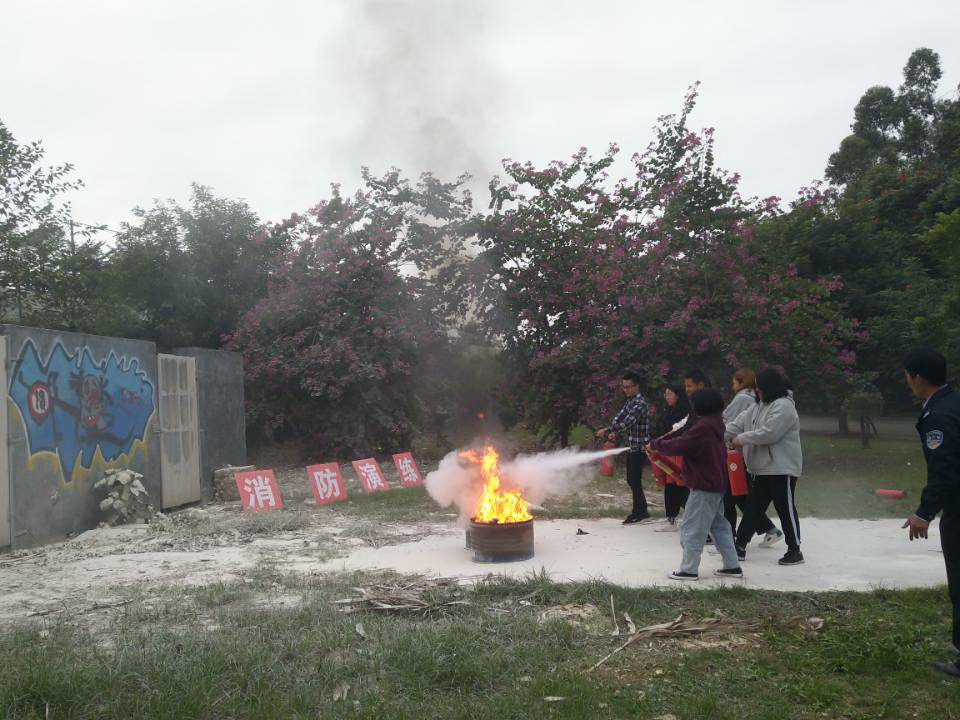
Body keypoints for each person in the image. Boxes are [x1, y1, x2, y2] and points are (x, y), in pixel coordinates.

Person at [901, 347, 960, 679]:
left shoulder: (937, 415)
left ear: (919, 378)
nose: (908, 383)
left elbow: (945, 470)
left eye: (908, 377)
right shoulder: (954, 402)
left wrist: (924, 512)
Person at [648, 388, 743, 580]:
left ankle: (689, 569)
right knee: (720, 528)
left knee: (691, 528)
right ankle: (732, 566)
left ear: (699, 406)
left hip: (704, 486)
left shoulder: (703, 427)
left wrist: (656, 445)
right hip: (715, 484)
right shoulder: (716, 424)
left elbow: (681, 444)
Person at [725, 368, 804, 565]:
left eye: (759, 388)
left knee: (785, 509)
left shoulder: (784, 406)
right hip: (760, 469)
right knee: (753, 508)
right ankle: (739, 546)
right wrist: (714, 436)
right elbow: (735, 425)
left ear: (769, 387)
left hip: (781, 468)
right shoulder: (756, 406)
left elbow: (770, 433)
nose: (757, 391)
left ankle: (795, 550)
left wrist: (741, 439)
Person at [722, 369, 782, 547]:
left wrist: (728, 438)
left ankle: (729, 538)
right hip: (743, 453)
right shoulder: (754, 402)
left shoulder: (742, 398)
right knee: (740, 495)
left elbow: (730, 423)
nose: (732, 386)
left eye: (734, 383)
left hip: (737, 454)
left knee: (732, 495)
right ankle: (766, 529)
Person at [596, 372, 651, 524]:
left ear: (637, 386)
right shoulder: (630, 402)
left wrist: (607, 430)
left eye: (628, 387)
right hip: (632, 447)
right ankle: (641, 511)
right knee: (632, 480)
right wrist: (613, 431)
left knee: (634, 479)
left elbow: (627, 422)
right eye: (624, 387)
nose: (626, 390)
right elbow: (619, 418)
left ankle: (640, 512)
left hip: (639, 448)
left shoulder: (640, 404)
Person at [652, 384, 691, 531]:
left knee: (681, 485)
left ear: (678, 395)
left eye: (670, 394)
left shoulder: (685, 412)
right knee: (670, 486)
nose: (666, 397)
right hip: (668, 452)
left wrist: (661, 442)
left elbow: (678, 432)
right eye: (666, 394)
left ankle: (689, 517)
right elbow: (663, 429)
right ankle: (671, 518)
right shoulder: (668, 410)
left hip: (679, 454)